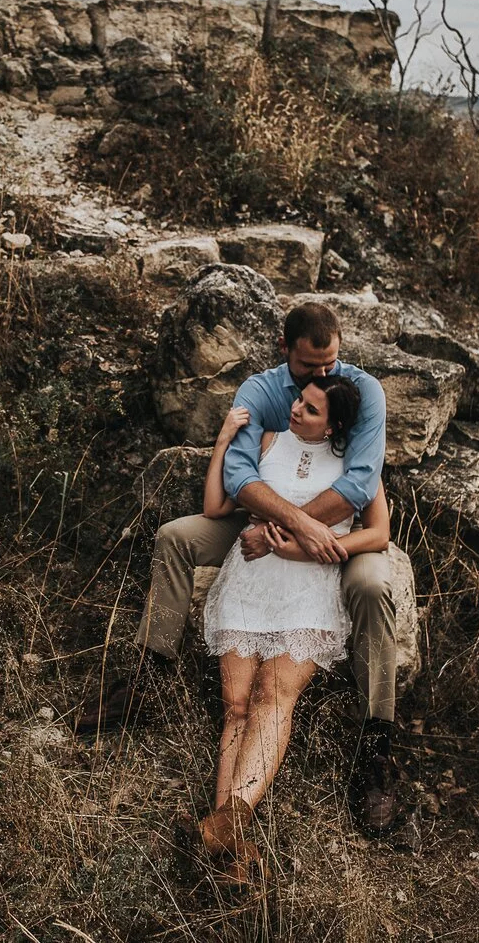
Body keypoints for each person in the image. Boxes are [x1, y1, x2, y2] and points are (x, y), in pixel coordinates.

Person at [76, 303, 398, 834]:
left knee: (369, 586)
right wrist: (279, 526)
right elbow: (239, 479)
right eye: (308, 369)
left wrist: (288, 537)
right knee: (176, 538)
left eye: (330, 364)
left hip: (330, 529)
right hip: (263, 519)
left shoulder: (359, 393)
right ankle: (148, 680)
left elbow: (361, 485)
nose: (320, 378)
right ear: (284, 352)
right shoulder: (261, 392)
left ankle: (377, 747)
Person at [197, 380, 390, 884]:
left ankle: (225, 826)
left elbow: (379, 534)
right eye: (298, 399)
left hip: (307, 591)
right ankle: (233, 845)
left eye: (309, 407)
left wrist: (299, 548)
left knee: (271, 698)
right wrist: (222, 443)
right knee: (235, 704)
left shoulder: (357, 467)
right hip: (249, 585)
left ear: (335, 425)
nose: (295, 408)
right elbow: (220, 503)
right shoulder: (268, 441)